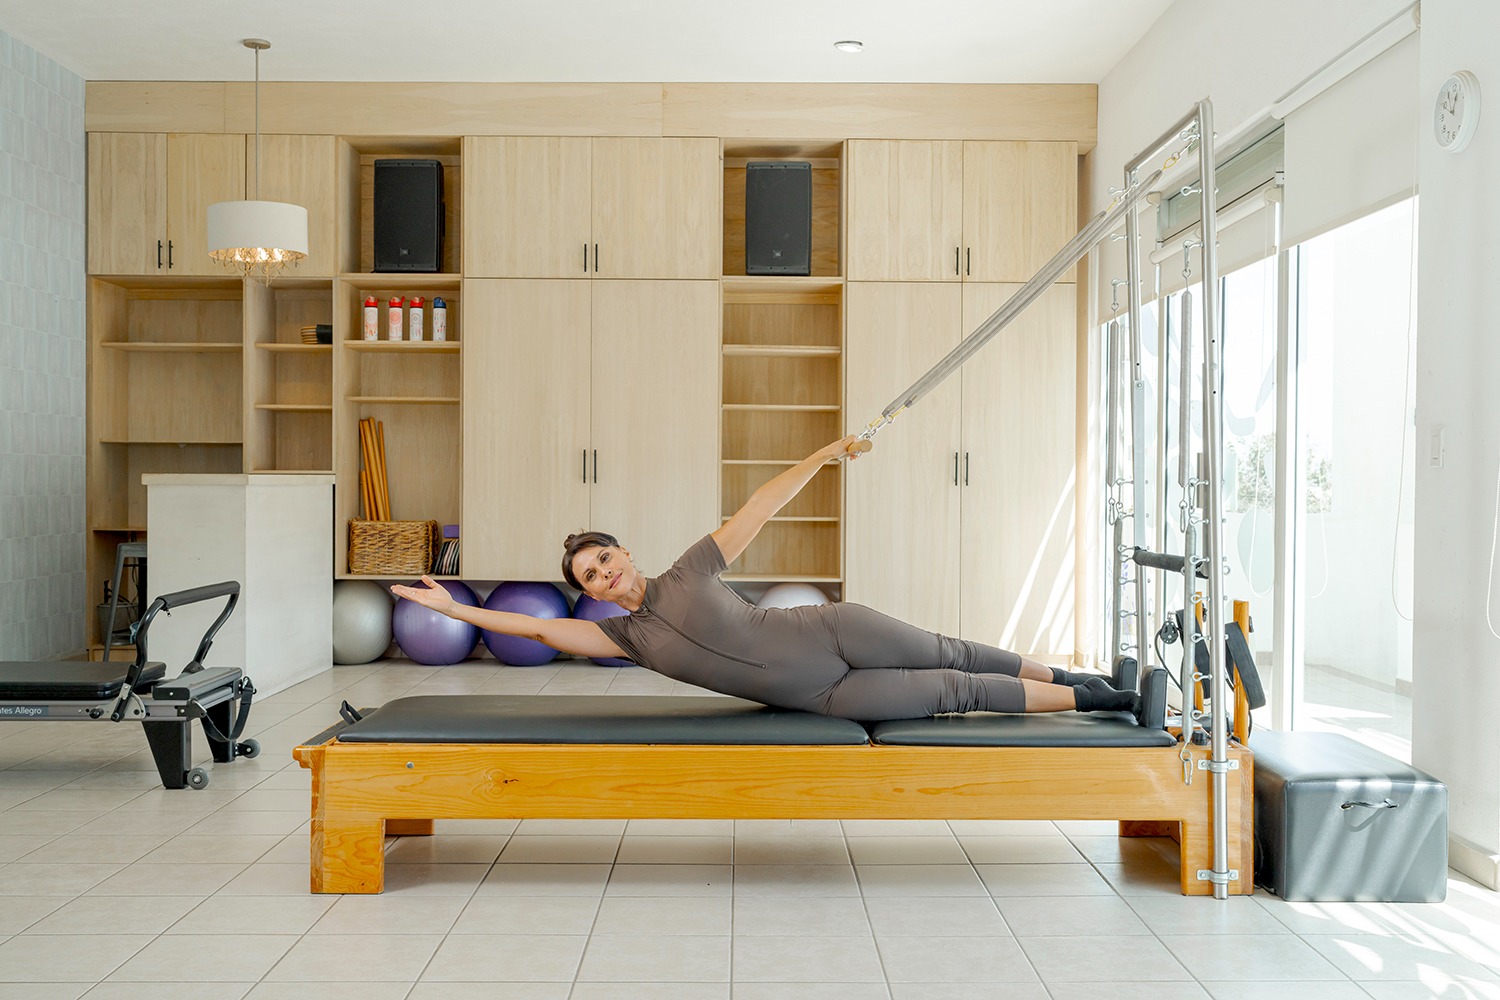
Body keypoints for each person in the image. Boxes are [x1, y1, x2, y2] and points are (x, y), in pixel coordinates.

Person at [392, 436, 1139, 721]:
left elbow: (757, 507)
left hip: (829, 629)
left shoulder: (689, 566)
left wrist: (821, 458)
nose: (604, 573)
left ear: (624, 552)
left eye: (605, 557)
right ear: (590, 592)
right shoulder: (624, 639)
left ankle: (1073, 675)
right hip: (824, 695)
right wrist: (454, 608)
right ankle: (1090, 700)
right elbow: (527, 626)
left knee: (956, 650)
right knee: (954, 691)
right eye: (591, 575)